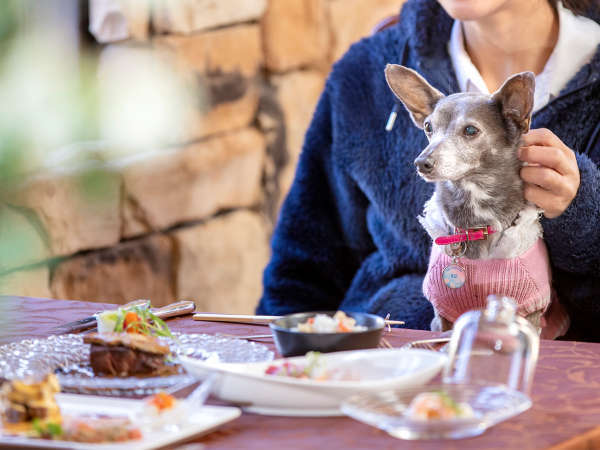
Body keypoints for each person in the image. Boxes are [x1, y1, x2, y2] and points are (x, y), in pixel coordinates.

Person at [256, 0, 600, 341]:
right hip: (385, 369)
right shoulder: (363, 75)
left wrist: (584, 212)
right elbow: (302, 270)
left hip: (556, 378)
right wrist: (276, 364)